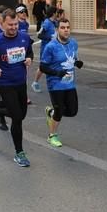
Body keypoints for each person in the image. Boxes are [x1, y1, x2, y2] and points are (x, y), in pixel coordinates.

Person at [0, 9, 34, 167]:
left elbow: (30, 52)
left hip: (21, 82)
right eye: (10, 25)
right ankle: (19, 153)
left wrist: (29, 59)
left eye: (16, 24)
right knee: (17, 118)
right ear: (2, 23)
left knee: (22, 114)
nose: (14, 27)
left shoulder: (25, 37)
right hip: (5, 84)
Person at [40, 18, 83, 148]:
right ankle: (52, 135)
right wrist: (57, 73)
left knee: (72, 111)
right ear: (57, 30)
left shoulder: (74, 43)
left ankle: (51, 113)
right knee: (59, 110)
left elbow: (72, 59)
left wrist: (77, 63)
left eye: (68, 28)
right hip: (55, 84)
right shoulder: (51, 46)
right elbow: (43, 67)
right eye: (63, 28)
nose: (66, 30)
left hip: (69, 83)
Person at [31, 6, 60, 92]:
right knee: (43, 66)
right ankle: (35, 82)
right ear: (53, 13)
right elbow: (39, 35)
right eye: (57, 12)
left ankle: (55, 82)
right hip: (46, 48)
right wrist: (49, 38)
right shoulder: (47, 23)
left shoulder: (54, 22)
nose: (57, 14)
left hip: (53, 48)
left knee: (55, 64)